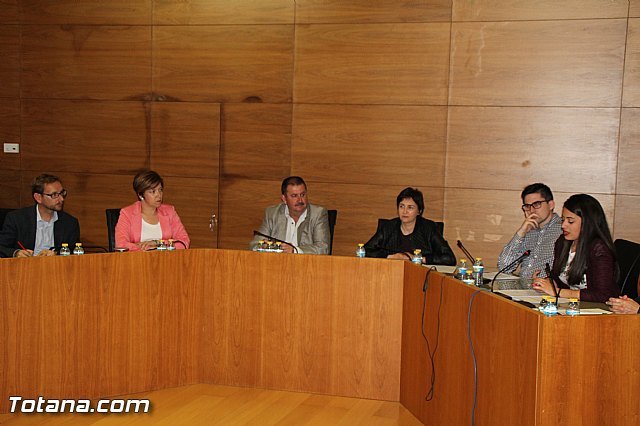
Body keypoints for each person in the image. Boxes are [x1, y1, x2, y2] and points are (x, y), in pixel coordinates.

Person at [532, 194, 619, 303]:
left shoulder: (599, 249)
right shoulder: (562, 242)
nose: (563, 225)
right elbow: (557, 277)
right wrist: (547, 283)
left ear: (587, 223)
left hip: (598, 310)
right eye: (563, 220)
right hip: (573, 306)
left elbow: (603, 295)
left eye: (570, 221)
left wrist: (558, 292)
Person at [363, 187, 455, 265]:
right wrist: (391, 257)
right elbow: (364, 251)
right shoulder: (388, 227)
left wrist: (419, 259)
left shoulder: (429, 228)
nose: (405, 211)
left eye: (410, 207)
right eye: (401, 206)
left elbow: (449, 258)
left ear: (419, 211)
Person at [0, 174, 80, 258]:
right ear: (38, 197)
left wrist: (56, 253)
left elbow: (74, 251)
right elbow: (2, 247)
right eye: (54, 195)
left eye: (62, 193)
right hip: (24, 268)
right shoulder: (17, 219)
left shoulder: (70, 223)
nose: (61, 199)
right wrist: (16, 253)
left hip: (56, 268)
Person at [249, 176, 330, 254]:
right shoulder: (272, 213)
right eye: (294, 196)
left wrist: (295, 251)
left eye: (303, 195)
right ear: (284, 199)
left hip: (306, 264)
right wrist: (262, 246)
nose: (300, 200)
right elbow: (254, 244)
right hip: (276, 263)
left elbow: (323, 248)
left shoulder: (318, 214)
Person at [498, 183, 562, 278]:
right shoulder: (527, 230)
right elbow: (504, 267)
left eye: (536, 204)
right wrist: (521, 233)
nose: (531, 210)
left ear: (551, 204)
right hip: (522, 288)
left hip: (547, 289)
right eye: (527, 206)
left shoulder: (563, 230)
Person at [115, 170, 190, 251]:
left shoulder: (169, 211)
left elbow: (184, 242)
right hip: (136, 261)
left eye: (160, 190)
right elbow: (121, 245)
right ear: (141, 195)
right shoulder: (127, 213)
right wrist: (148, 249)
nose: (158, 195)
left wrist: (157, 243)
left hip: (166, 260)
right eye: (153, 191)